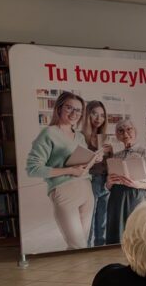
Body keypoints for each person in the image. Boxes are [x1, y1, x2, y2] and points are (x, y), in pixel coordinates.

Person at [26, 92, 98, 250]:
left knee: (81, 243)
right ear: (59, 108)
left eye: (78, 110)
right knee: (77, 244)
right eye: (69, 108)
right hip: (64, 191)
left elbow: (80, 166)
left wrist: (92, 161)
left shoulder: (79, 136)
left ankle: (77, 274)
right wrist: (70, 170)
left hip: (86, 190)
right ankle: (81, 273)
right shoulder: (49, 133)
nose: (74, 113)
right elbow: (33, 169)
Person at [105, 120, 146, 245]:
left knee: (136, 231)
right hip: (116, 198)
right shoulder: (115, 156)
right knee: (116, 232)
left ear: (135, 131)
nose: (125, 133)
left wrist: (137, 185)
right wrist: (109, 183)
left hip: (137, 195)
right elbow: (107, 186)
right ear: (117, 135)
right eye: (121, 131)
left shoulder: (145, 153)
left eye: (129, 129)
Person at [81, 100, 113, 247]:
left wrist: (111, 152)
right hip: (90, 180)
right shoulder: (81, 137)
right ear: (87, 114)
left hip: (105, 180)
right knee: (89, 217)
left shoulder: (105, 138)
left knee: (103, 218)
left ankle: (100, 247)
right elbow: (77, 164)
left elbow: (110, 162)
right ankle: (86, 247)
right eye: (94, 113)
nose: (98, 118)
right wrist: (93, 158)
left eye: (102, 115)